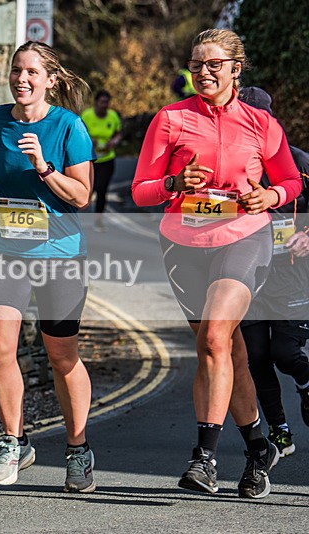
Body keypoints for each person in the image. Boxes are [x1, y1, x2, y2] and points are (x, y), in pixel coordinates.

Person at [132, 29, 303, 499]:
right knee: (227, 352)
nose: (202, 72)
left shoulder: (261, 123)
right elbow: (141, 190)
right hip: (181, 245)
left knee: (213, 336)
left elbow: (289, 179)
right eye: (195, 64)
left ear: (235, 69)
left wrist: (268, 194)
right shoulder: (170, 119)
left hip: (242, 237)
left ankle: (203, 457)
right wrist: (173, 181)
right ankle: (257, 449)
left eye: (212, 64)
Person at [0, 41, 96, 492]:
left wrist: (43, 167)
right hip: (6, 251)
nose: (22, 79)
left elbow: (81, 196)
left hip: (60, 257)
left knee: (62, 356)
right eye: (16, 70)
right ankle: (13, 441)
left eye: (31, 72)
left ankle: (78, 449)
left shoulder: (68, 127)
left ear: (50, 80)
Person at [237, 86, 309, 458]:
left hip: (291, 275)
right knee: (257, 357)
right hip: (243, 275)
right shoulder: (226, 163)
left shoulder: (298, 162)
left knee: (285, 353)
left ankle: (306, 379)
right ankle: (279, 429)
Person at [81, 89, 122, 231]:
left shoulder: (112, 116)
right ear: (96, 103)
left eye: (107, 102)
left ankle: (98, 221)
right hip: (89, 159)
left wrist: (114, 141)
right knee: (86, 190)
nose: (104, 105)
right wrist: (89, 139)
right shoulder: (87, 116)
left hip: (107, 159)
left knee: (102, 189)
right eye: (102, 102)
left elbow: (118, 133)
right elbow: (78, 133)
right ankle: (74, 220)